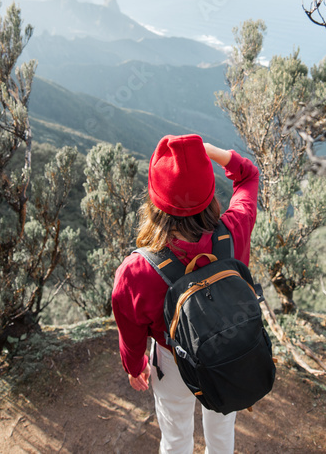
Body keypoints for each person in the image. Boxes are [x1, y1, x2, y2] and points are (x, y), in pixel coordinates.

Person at [111, 134, 259, 454]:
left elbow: (131, 329)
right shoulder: (234, 229)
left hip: (173, 360)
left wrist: (134, 365)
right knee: (221, 428)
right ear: (210, 195)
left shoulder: (135, 271)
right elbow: (248, 174)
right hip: (227, 353)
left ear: (155, 203)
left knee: (175, 435)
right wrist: (210, 153)